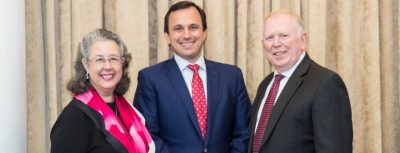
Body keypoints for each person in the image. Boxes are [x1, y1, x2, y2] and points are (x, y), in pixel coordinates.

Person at [133, 1, 251, 153]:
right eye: (178, 29)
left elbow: (244, 133)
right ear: (167, 37)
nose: (187, 35)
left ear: (204, 33)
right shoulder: (150, 79)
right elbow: (148, 136)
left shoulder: (232, 76)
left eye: (193, 27)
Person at [248, 9, 353, 153]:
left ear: (303, 40)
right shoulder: (265, 85)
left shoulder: (326, 83)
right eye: (269, 38)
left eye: (284, 35)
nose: (276, 43)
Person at [50, 29, 155, 153]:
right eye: (99, 59)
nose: (108, 66)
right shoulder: (74, 119)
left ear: (122, 63)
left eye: (114, 59)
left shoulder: (129, 111)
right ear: (86, 65)